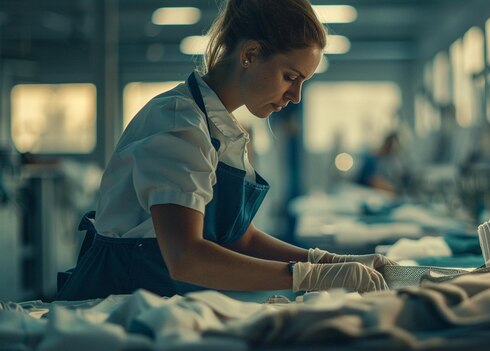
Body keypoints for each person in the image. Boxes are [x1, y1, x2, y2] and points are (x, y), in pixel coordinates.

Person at [56, 0, 396, 301]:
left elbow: (238, 237)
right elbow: (185, 255)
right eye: (290, 76)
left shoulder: (219, 127)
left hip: (161, 299)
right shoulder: (179, 123)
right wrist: (309, 277)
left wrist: (327, 261)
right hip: (115, 304)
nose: (296, 96)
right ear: (250, 54)